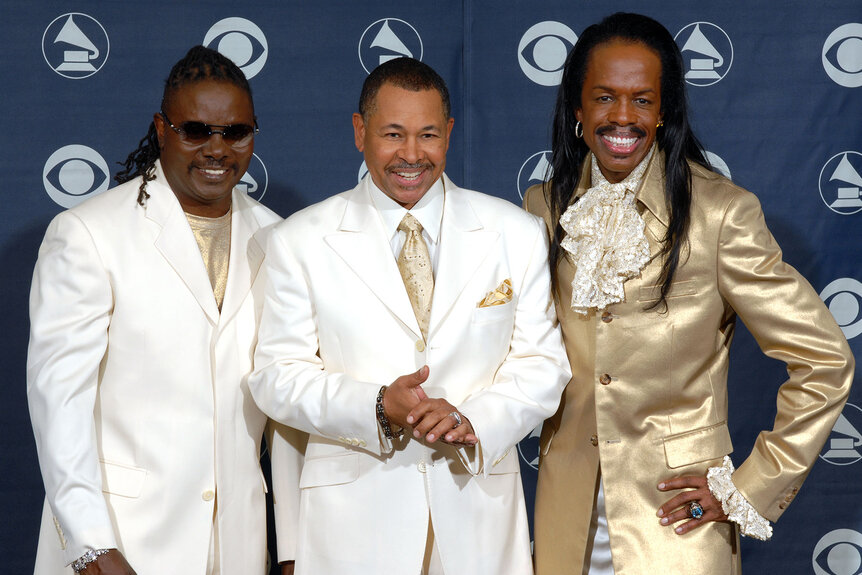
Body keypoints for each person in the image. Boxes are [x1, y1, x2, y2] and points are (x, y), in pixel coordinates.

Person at [523, 12, 854, 575]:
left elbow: (824, 359)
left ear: (665, 111)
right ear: (577, 109)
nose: (622, 117)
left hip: (676, 522)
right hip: (563, 518)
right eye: (604, 97)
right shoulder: (543, 208)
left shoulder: (721, 213)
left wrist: (745, 486)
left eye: (642, 100)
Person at [248, 57, 570, 575]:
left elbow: (543, 365)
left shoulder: (516, 232)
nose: (412, 155)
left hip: (478, 517)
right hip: (354, 526)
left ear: (449, 133)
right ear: (359, 131)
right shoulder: (300, 241)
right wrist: (377, 405)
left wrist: (473, 420)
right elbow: (276, 377)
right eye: (393, 134)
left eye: (427, 135)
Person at [27, 46, 303, 575]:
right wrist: (89, 544)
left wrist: (290, 547)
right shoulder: (89, 234)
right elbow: (59, 404)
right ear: (162, 129)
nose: (216, 149)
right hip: (123, 544)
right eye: (195, 130)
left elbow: (287, 404)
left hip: (237, 548)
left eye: (236, 132)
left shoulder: (280, 238)